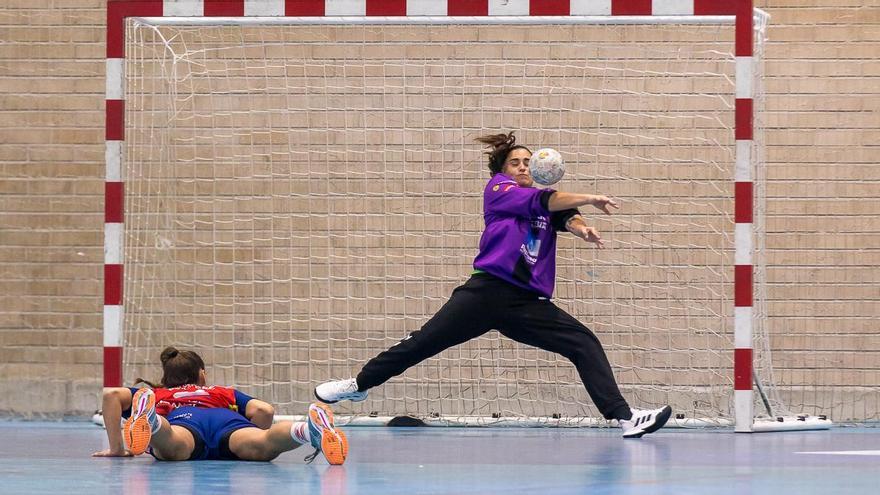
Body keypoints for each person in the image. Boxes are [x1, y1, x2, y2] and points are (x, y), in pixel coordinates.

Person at [315, 131, 671, 438]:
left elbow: (562, 214)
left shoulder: (547, 202)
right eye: (515, 161)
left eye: (528, 162)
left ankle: (626, 419)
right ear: (503, 170)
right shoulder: (500, 190)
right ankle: (359, 385)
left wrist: (582, 229)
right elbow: (548, 201)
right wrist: (591, 197)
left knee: (582, 342)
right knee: (422, 343)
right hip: (485, 293)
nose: (522, 166)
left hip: (526, 303)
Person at [94, 346, 348, 464]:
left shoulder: (160, 393)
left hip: (184, 419)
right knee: (264, 445)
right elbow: (265, 410)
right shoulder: (221, 391)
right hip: (226, 420)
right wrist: (249, 432)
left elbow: (111, 394)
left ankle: (150, 421)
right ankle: (305, 430)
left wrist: (117, 448)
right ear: (201, 374)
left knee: (172, 446)